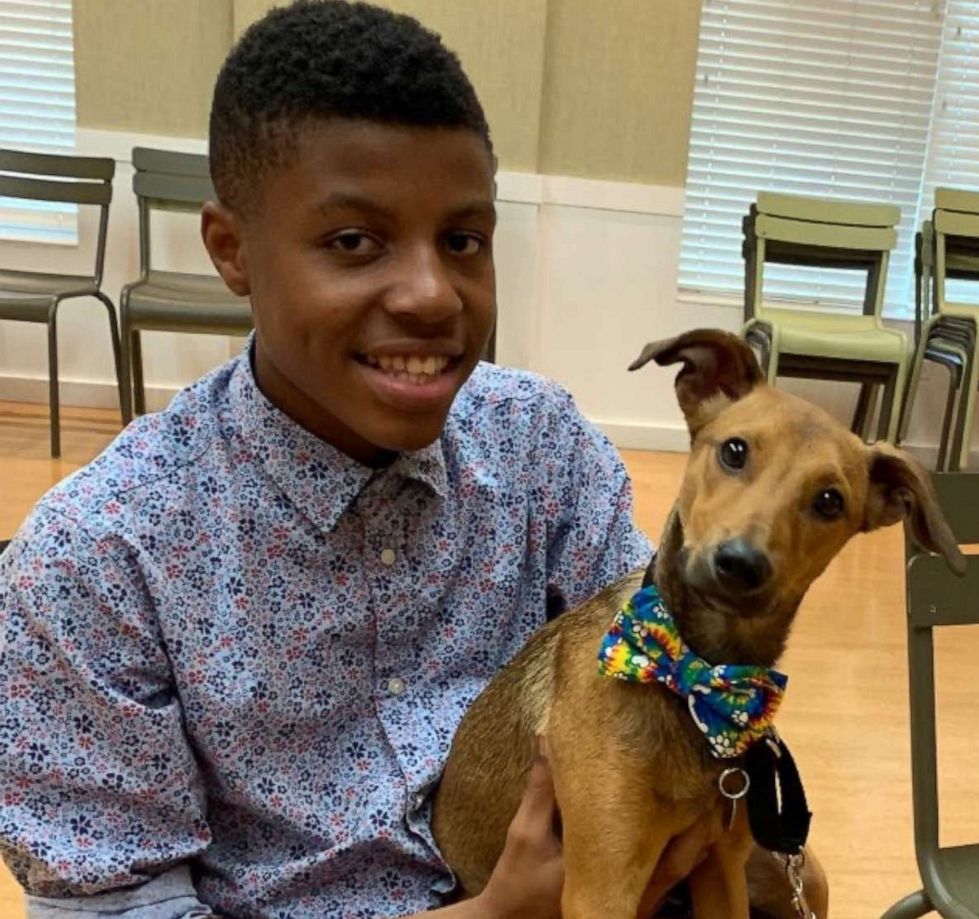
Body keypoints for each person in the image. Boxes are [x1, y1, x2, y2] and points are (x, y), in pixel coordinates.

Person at [0, 3, 722, 917]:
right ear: (232, 250)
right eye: (354, 242)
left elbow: (673, 682)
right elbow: (117, 902)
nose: (431, 295)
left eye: (463, 241)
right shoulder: (95, 562)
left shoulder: (542, 449)